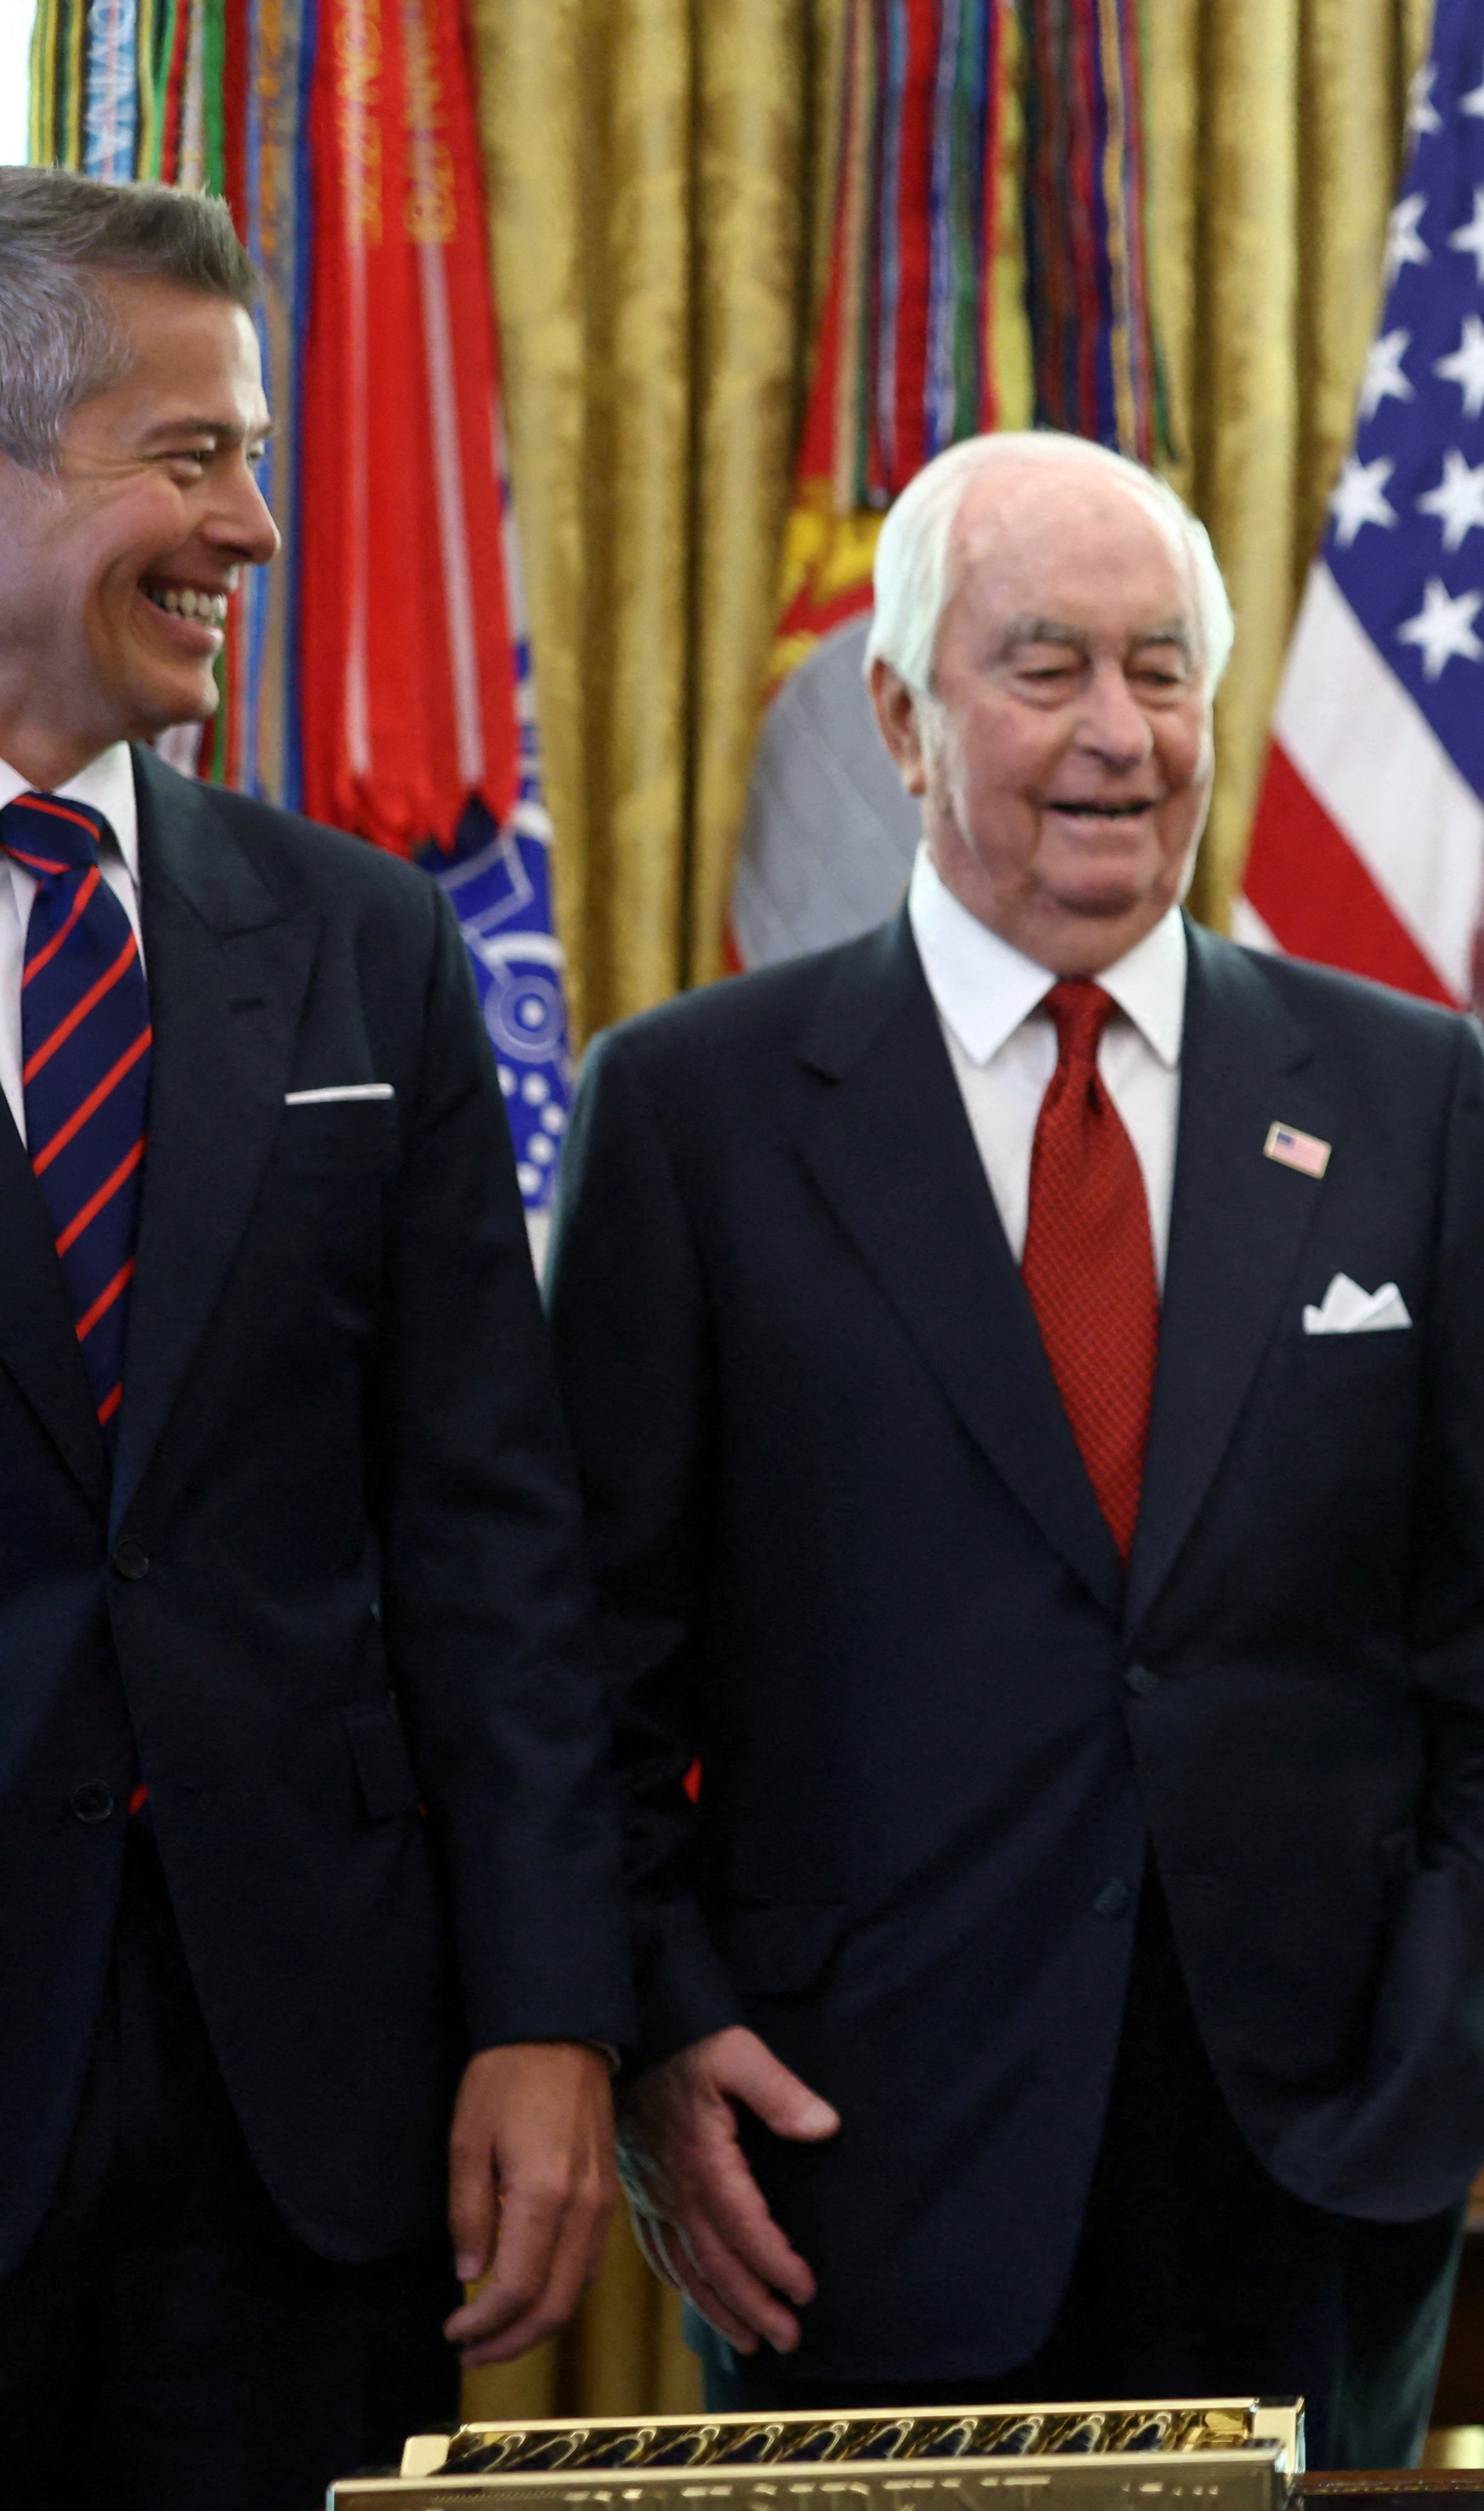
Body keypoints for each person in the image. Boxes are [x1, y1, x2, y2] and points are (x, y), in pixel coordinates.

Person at [546, 429, 1484, 2463]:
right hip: (846, 2170)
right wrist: (663, 2040)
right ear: (903, 715)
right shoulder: (693, 1115)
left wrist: (1443, 2060)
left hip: (1315, 2174)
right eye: (1044, 666)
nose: (1120, 734)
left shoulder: (1405, 1098)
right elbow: (578, 1674)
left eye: (1163, 669)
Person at [0, 167, 632, 2506]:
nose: (252, 528)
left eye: (255, 459)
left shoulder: (363, 944)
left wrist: (552, 2008)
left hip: (308, 2125)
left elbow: (490, 1531)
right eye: (189, 459)